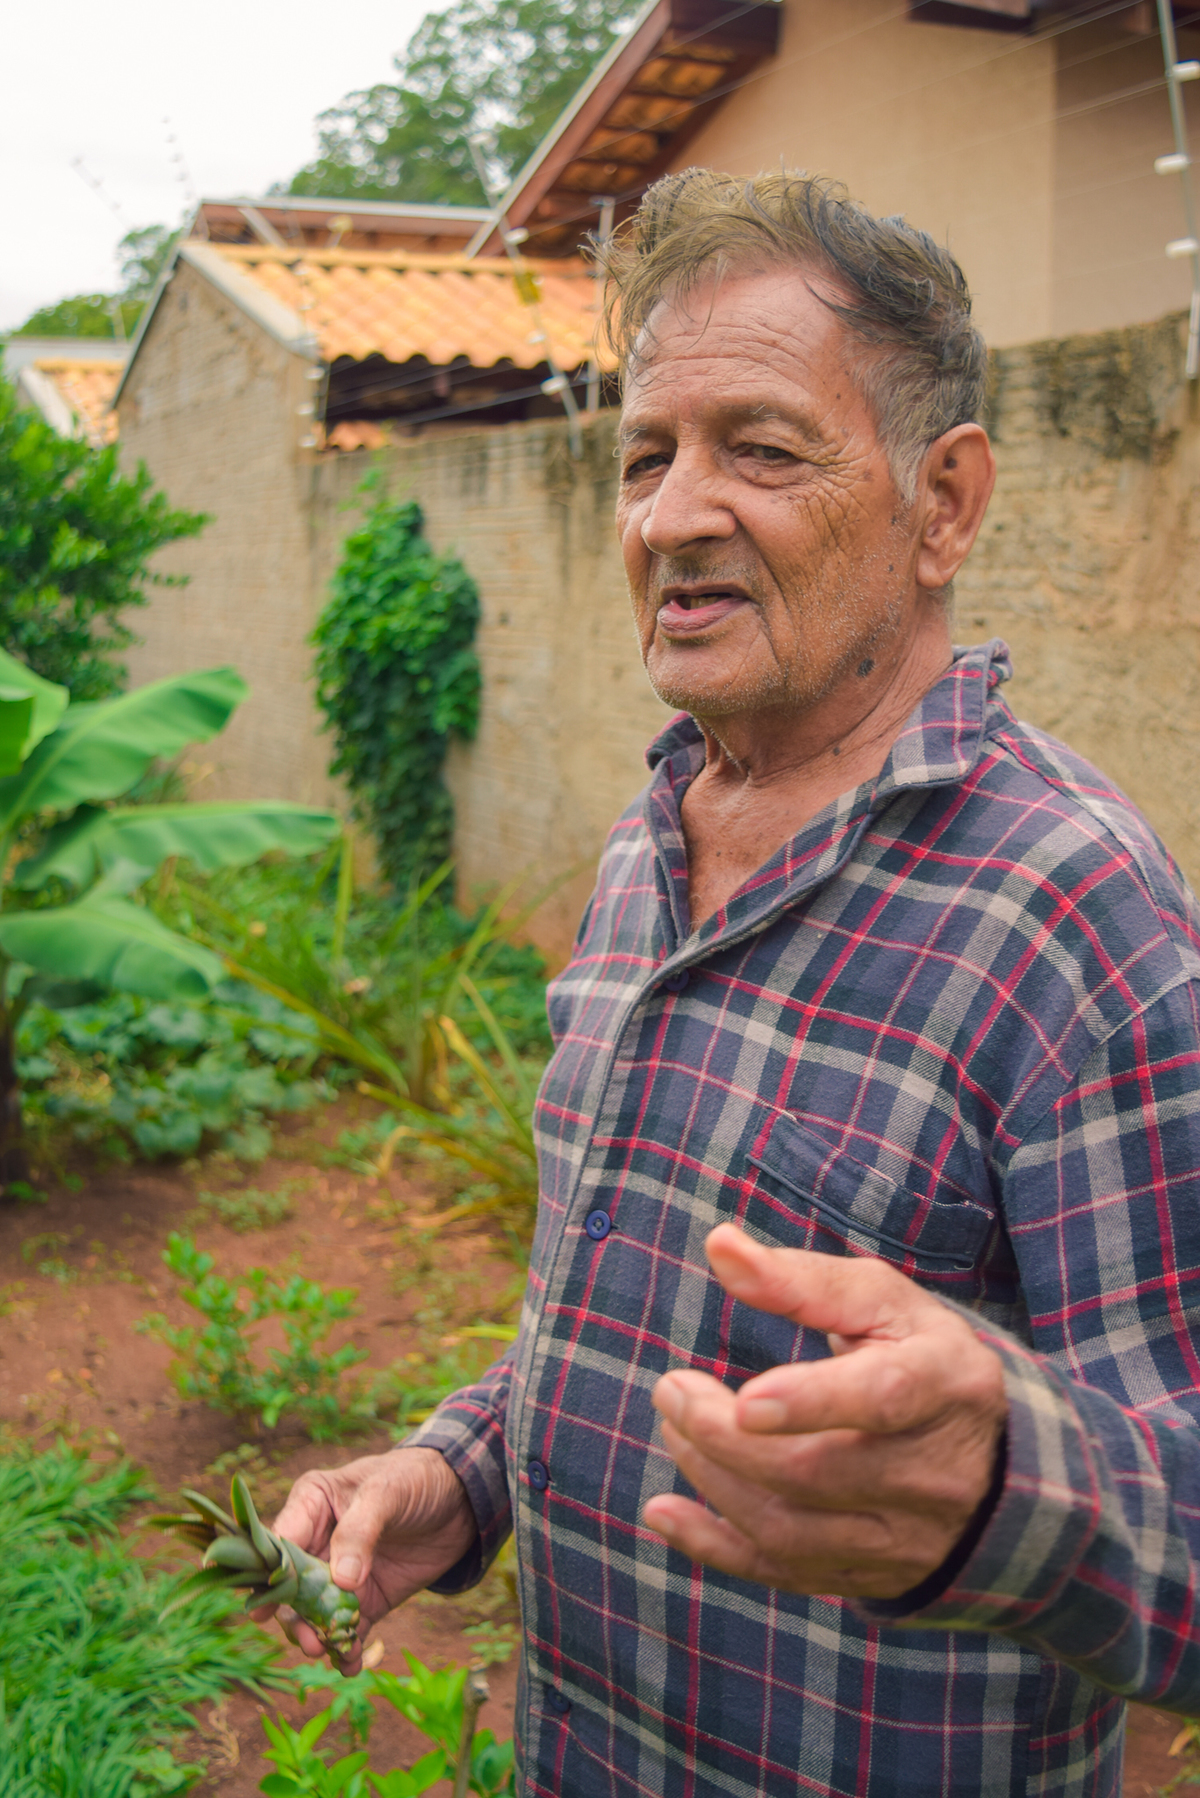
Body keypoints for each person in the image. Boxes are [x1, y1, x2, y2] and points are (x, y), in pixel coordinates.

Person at [268, 172, 1200, 1797]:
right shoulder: (645, 853)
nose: (667, 515)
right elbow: (610, 1328)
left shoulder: (1076, 916)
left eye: (761, 448)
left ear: (946, 506)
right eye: (645, 455)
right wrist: (459, 1470)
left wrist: (1004, 1488)